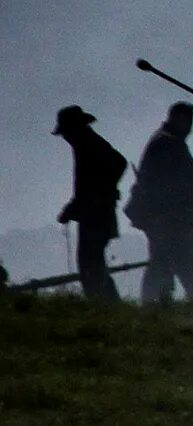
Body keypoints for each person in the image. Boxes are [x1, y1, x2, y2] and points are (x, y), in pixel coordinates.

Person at [128, 103, 193, 303]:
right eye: (188, 120)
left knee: (162, 265)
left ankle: (156, 307)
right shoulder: (167, 144)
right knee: (189, 268)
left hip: (169, 220)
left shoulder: (165, 142)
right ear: (177, 119)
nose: (190, 126)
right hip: (174, 221)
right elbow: (173, 187)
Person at [52, 106, 129, 302]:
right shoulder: (88, 144)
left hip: (96, 214)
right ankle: (106, 303)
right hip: (95, 212)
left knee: (90, 263)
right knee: (93, 262)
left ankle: (103, 303)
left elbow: (117, 164)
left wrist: (102, 192)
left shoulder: (89, 145)